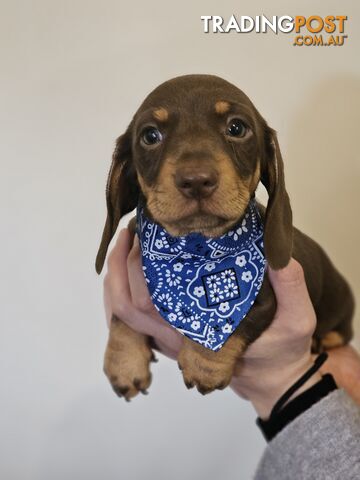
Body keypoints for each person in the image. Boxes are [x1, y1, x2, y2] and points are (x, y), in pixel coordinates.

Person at [103, 228, 360, 479]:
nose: (196, 181)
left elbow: (259, 297)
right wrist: (124, 334)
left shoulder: (253, 241)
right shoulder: (145, 237)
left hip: (329, 329)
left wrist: (214, 349)